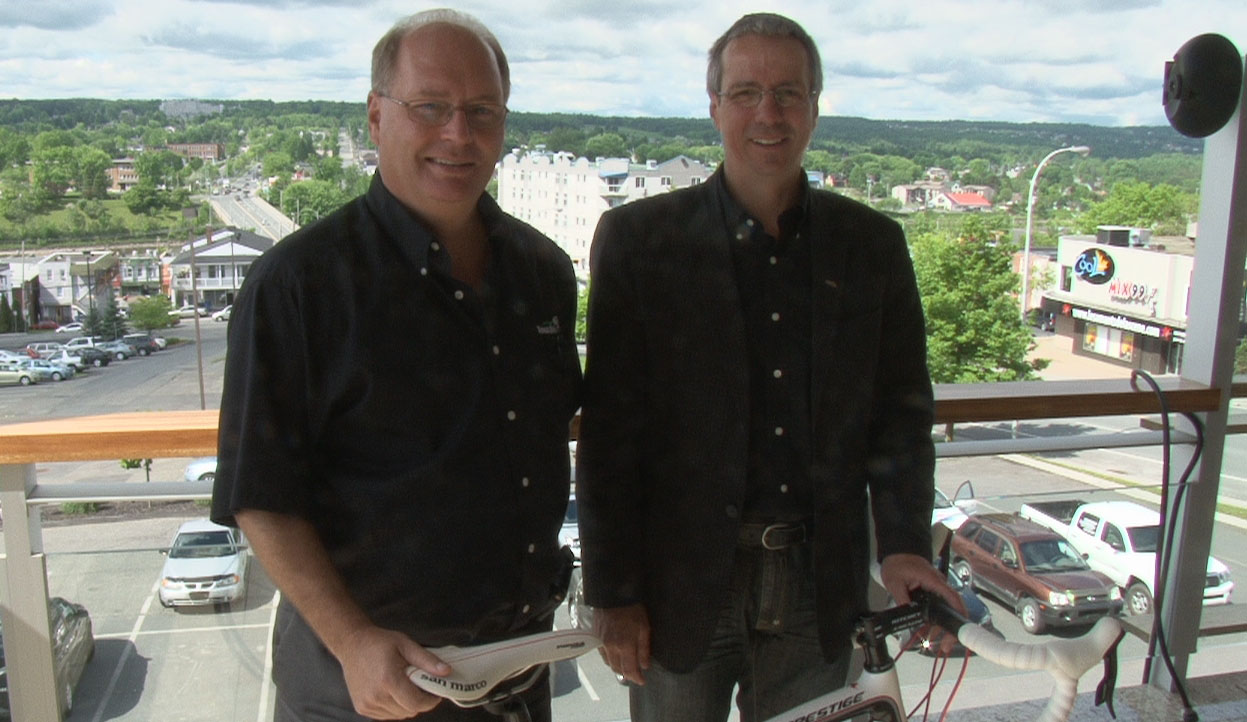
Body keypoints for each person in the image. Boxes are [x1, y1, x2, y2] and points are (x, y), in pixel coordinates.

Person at [576, 12, 961, 722]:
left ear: (814, 106)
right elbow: (610, 433)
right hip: (676, 584)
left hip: (820, 583)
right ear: (714, 105)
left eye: (789, 92)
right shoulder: (639, 241)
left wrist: (904, 546)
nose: (768, 113)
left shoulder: (871, 245)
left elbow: (900, 415)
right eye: (745, 91)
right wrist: (611, 592)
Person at [211, 10, 580, 721]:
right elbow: (259, 493)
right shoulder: (300, 285)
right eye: (431, 107)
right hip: (371, 685)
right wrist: (352, 641)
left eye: (481, 111)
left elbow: (553, 430)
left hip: (518, 671)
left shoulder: (542, 272)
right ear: (377, 117)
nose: (458, 134)